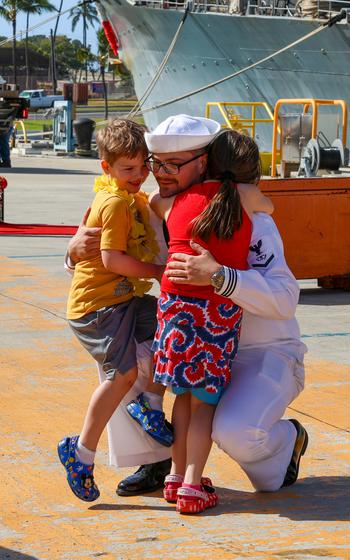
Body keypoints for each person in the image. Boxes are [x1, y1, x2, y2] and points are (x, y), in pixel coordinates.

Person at [66, 114, 308, 497]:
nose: (159, 173)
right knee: (121, 355)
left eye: (172, 165)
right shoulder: (154, 209)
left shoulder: (252, 218)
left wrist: (221, 276)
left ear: (204, 163)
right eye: (154, 163)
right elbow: (108, 263)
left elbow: (284, 300)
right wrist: (73, 253)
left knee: (238, 437)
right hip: (200, 341)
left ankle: (288, 439)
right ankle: (158, 459)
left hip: (262, 354)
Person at [148, 128, 273, 513]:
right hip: (214, 313)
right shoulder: (245, 196)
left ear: (207, 163)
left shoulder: (178, 199)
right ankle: (191, 485)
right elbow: (269, 208)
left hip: (172, 308)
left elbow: (154, 202)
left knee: (182, 399)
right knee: (204, 406)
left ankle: (173, 476)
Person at [58, 118, 172, 503]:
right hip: (100, 307)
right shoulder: (114, 201)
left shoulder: (135, 199)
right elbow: (108, 259)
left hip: (124, 298)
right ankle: (81, 453)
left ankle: (149, 409)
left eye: (145, 166)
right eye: (129, 169)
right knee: (121, 375)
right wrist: (158, 272)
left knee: (169, 331)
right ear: (106, 168)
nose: (140, 175)